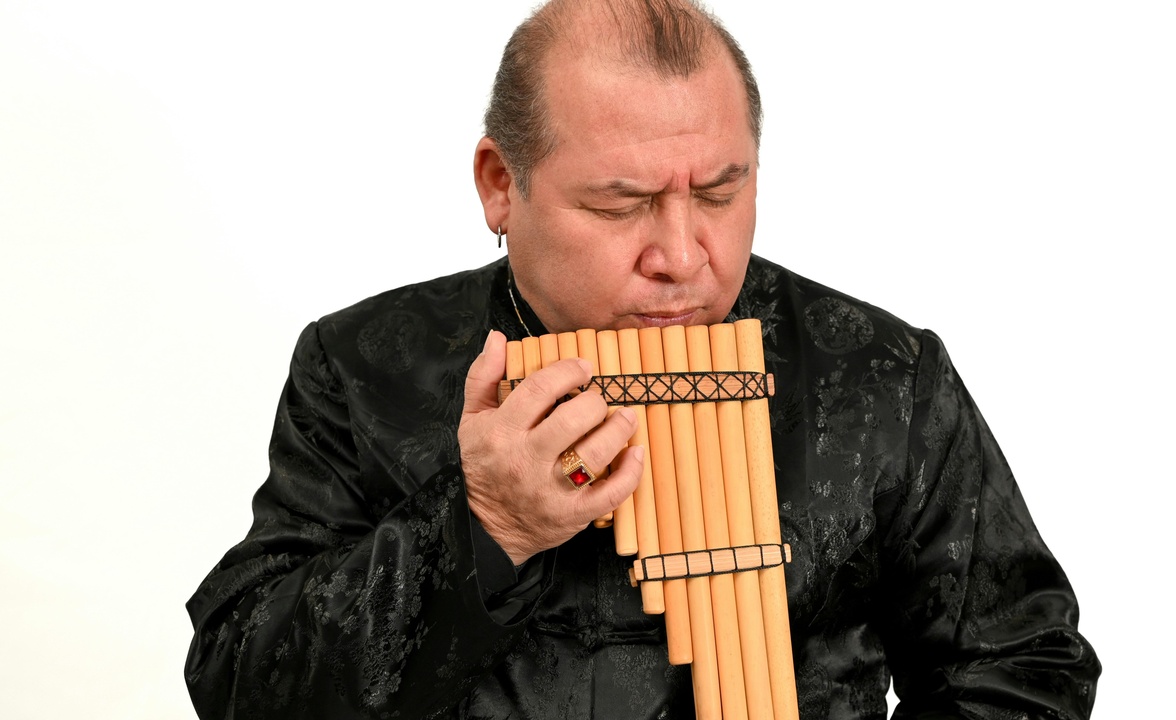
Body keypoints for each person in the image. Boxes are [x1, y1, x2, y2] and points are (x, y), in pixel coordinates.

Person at [184, 1, 1101, 718]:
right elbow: (238, 688)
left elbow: (1023, 669)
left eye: (718, 191)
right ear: (503, 185)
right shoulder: (359, 368)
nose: (682, 254)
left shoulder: (883, 379)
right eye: (621, 204)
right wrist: (478, 527)